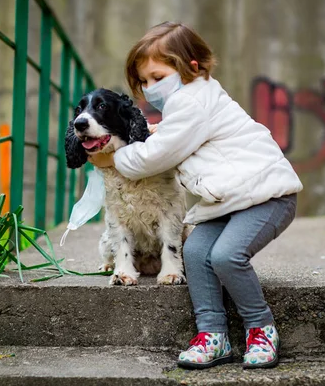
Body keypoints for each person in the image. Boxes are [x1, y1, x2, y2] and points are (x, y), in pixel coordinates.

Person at [88, 22, 302, 370]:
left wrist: (111, 156)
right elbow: (171, 139)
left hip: (267, 197)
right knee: (197, 250)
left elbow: (155, 156)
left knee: (227, 256)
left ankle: (261, 328)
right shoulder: (187, 104)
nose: (149, 87)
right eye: (143, 81)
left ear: (192, 66)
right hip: (230, 201)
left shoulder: (192, 101)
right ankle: (213, 335)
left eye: (158, 77)